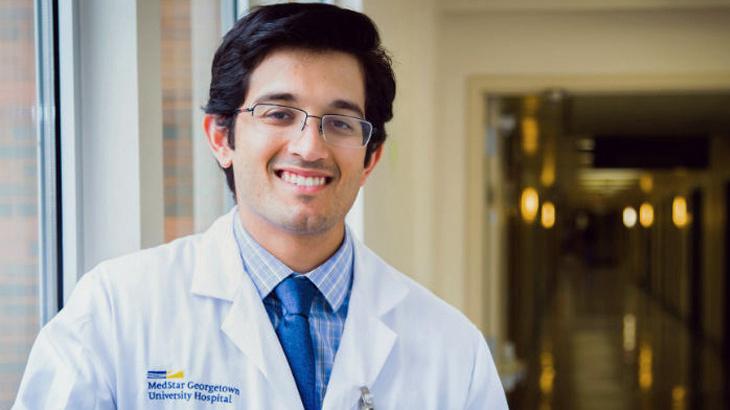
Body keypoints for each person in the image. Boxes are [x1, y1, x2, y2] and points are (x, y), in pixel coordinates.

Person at [13, 3, 508, 409]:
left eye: (339, 122)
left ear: (371, 156)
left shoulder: (451, 347)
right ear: (221, 136)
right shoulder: (114, 311)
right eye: (278, 113)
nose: (309, 147)